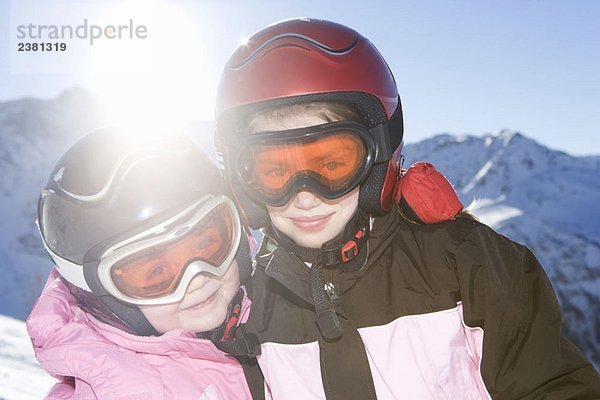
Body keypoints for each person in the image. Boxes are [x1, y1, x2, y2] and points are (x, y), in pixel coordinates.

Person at [214, 18, 600, 399]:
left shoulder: (464, 263)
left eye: (332, 165)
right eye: (273, 172)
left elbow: (552, 385)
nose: (304, 195)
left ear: (379, 157)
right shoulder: (247, 308)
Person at [27, 127, 256, 399]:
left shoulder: (279, 320)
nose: (197, 277)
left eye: (207, 245)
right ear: (104, 299)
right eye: (157, 273)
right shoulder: (119, 392)